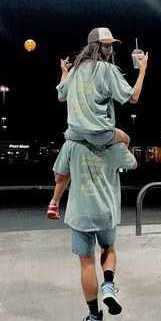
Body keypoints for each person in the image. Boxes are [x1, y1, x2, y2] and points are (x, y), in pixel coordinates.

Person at [47, 27, 148, 219]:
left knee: (61, 175)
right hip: (100, 134)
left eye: (111, 46)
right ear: (96, 46)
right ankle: (116, 162)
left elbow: (61, 96)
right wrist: (142, 70)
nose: (110, 50)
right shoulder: (107, 70)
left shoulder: (75, 70)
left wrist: (64, 72)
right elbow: (133, 98)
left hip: (74, 134)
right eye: (106, 46)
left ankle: (54, 202)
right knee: (125, 138)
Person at [52, 139, 137, 321]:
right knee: (108, 247)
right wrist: (120, 139)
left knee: (87, 263)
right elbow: (133, 164)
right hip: (106, 212)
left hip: (81, 213)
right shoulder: (114, 144)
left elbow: (59, 176)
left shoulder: (71, 144)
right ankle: (108, 284)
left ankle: (95, 320)